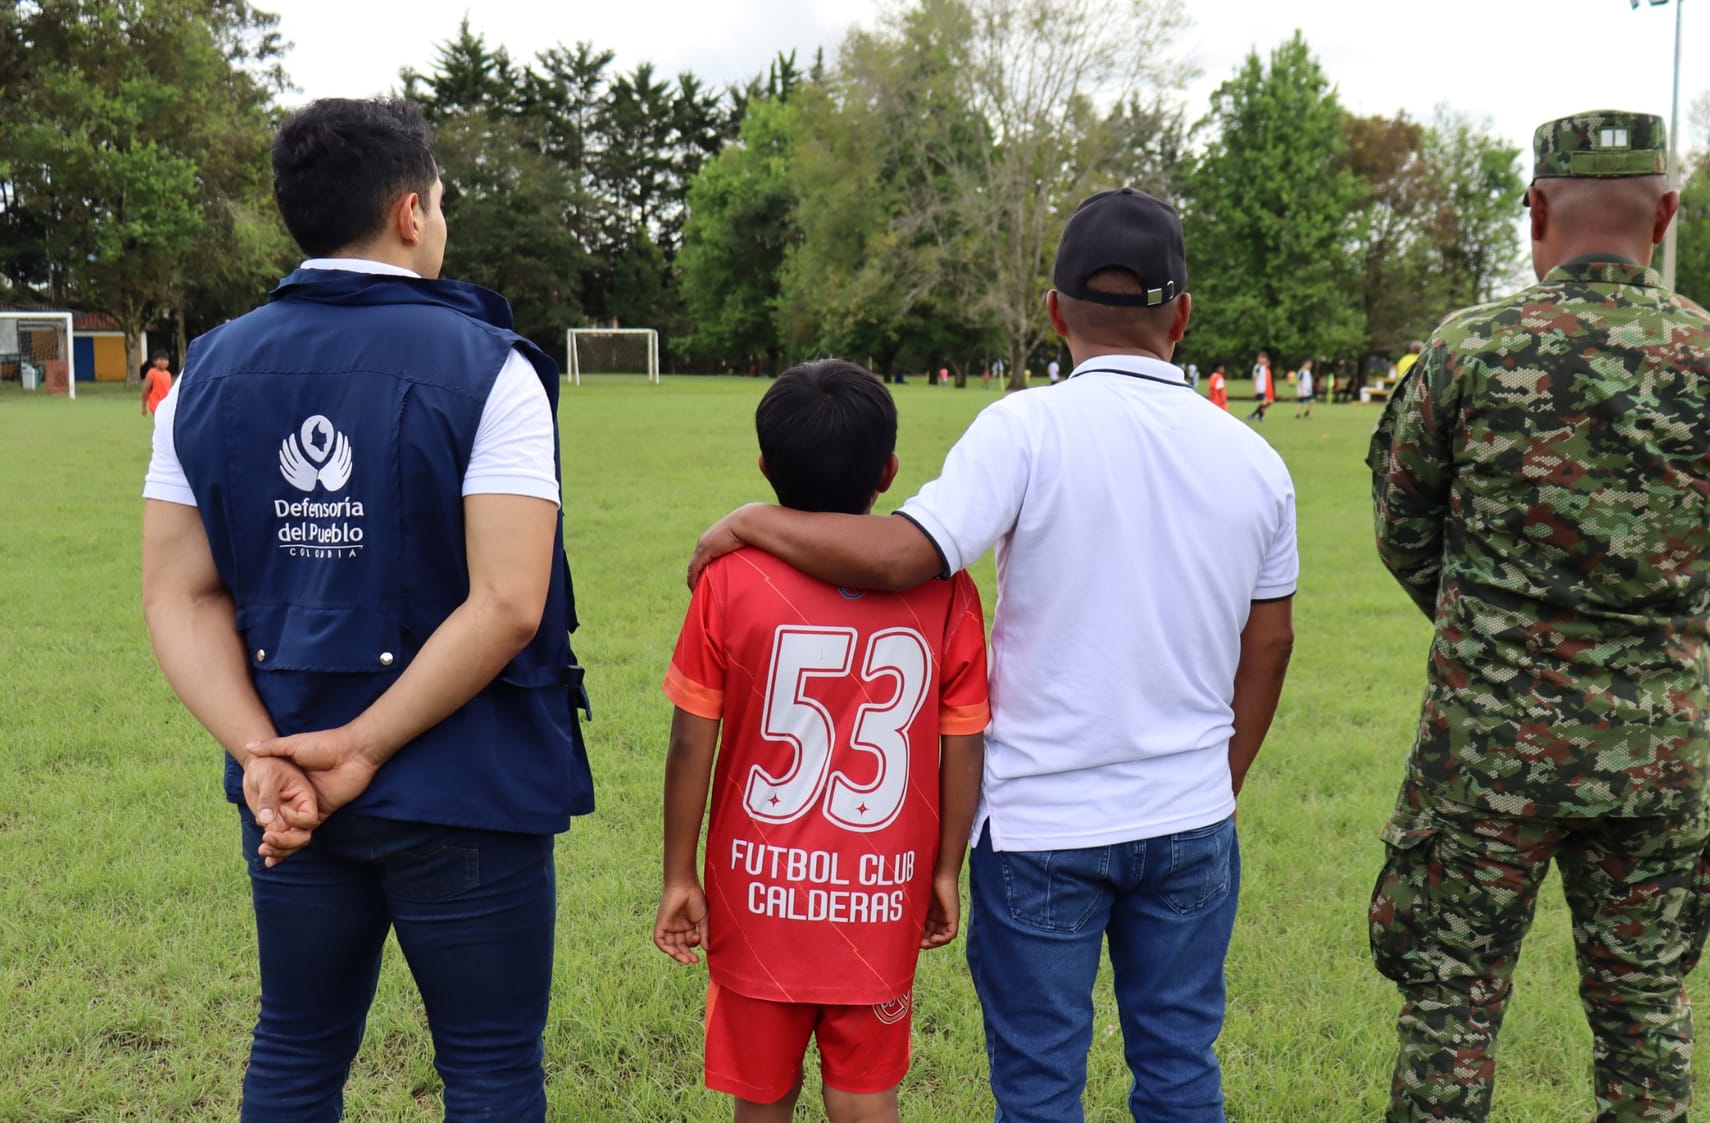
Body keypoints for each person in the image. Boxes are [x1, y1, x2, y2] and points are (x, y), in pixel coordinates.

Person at [686, 186, 1298, 1122]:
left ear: (1054, 311)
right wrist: (1223, 776)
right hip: (1189, 813)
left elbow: (903, 555)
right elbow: (1272, 640)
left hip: (1043, 822)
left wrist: (751, 520)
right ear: (1182, 316)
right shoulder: (1256, 460)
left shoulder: (1025, 428)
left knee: (1040, 1082)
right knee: (1180, 1068)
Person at [140, 97, 594, 1120]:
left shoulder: (202, 373)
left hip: (288, 787)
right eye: (441, 201)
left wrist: (262, 753)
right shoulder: (493, 368)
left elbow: (177, 593)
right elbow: (508, 602)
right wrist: (357, 747)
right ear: (408, 212)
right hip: (467, 785)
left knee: (295, 1047)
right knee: (490, 1067)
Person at [1366, 109, 1710, 1123]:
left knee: (1451, 1002)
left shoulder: (1466, 350)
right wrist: (1640, 623)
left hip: (1485, 746)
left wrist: (1490, 632)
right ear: (1665, 214)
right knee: (1642, 1011)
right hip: (1653, 747)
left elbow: (1403, 529)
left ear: (1534, 210)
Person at [654, 360, 990, 1123]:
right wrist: (946, 868)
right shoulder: (945, 587)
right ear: (889, 471)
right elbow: (964, 743)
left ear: (765, 466)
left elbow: (688, 744)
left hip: (756, 895)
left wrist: (679, 872)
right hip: (881, 892)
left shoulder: (729, 577)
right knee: (866, 1097)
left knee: (761, 1100)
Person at [140, 351, 174, 418]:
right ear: (154, 361)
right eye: (161, 360)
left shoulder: (168, 374)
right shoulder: (152, 373)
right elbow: (146, 389)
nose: (164, 362)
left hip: (166, 404)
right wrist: (144, 406)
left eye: (166, 360)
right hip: (156, 404)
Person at [1247, 351, 1275, 422]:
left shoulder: (1264, 367)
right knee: (1265, 402)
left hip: (1265, 388)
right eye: (1261, 358)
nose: (1262, 360)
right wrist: (1255, 389)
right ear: (1258, 359)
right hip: (1260, 388)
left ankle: (1254, 415)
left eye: (1264, 358)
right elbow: (1254, 378)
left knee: (1269, 402)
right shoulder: (1257, 367)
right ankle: (1260, 417)